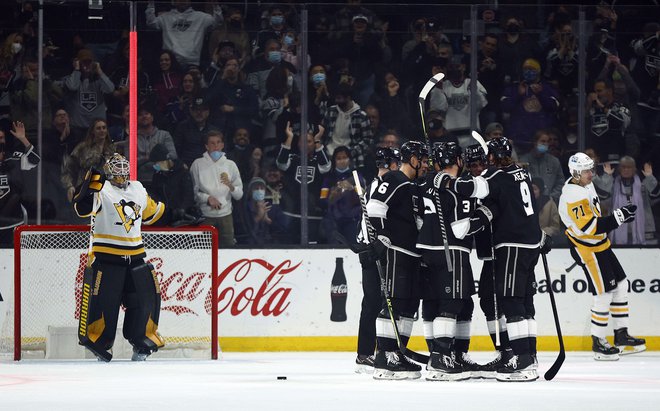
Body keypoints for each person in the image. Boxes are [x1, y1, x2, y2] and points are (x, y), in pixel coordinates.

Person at [448, 136, 548, 382]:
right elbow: (501, 207)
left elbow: (469, 189)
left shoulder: (496, 177)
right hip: (529, 243)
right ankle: (527, 356)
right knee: (521, 301)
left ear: (490, 157)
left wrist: (447, 179)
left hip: (512, 245)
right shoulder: (522, 173)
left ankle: (522, 360)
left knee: (512, 301)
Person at [71, 153, 166, 361]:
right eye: (117, 168)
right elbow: (82, 209)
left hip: (136, 256)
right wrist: (86, 188)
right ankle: (101, 346)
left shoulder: (138, 188)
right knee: (105, 304)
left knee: (144, 302)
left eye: (124, 168)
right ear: (108, 170)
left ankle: (142, 346)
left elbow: (153, 213)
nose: (121, 173)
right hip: (107, 257)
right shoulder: (102, 189)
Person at [558, 152, 646, 360]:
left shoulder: (584, 184)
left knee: (621, 284)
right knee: (603, 293)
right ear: (576, 173)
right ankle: (598, 342)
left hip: (600, 243)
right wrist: (619, 216)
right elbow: (588, 227)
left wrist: (617, 216)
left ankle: (621, 335)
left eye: (591, 169)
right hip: (586, 248)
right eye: (587, 170)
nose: (591, 173)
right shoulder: (572, 195)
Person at [417, 142, 492, 381]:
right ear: (458, 160)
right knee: (451, 304)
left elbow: (418, 217)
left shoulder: (426, 184)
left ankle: (448, 355)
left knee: (438, 302)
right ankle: (441, 357)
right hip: (451, 251)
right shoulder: (459, 189)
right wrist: (483, 216)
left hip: (425, 251)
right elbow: (461, 229)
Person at [365, 140, 428, 380]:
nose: (424, 164)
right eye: (421, 159)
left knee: (409, 306)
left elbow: (418, 223)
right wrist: (382, 237)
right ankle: (384, 356)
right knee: (393, 303)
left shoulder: (413, 187)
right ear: (411, 158)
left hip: (413, 255)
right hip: (397, 252)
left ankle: (398, 353)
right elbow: (374, 207)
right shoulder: (393, 179)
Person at [353, 146, 400, 373]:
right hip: (371, 251)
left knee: (384, 302)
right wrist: (369, 245)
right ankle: (365, 354)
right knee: (372, 302)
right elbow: (367, 222)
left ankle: (384, 350)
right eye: (390, 164)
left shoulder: (386, 186)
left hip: (384, 249)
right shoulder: (375, 188)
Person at [276, 121, 330, 244]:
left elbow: (326, 167)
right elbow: (281, 164)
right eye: (302, 141)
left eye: (309, 141)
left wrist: (317, 140)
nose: (305, 144)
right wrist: (289, 138)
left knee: (312, 246)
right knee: (291, 245)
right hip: (292, 212)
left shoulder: (318, 160)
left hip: (313, 214)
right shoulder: (293, 158)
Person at [190, 130, 243, 247]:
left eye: (218, 142)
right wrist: (207, 198)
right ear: (206, 146)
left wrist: (230, 186)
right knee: (203, 249)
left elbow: (239, 195)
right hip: (205, 216)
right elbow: (193, 192)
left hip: (226, 215)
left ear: (222, 145)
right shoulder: (197, 164)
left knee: (228, 249)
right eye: (212, 143)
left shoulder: (230, 165)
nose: (216, 146)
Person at [146, 0, 223, 68]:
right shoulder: (165, 17)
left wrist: (216, 6)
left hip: (192, 61)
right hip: (171, 61)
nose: (182, 1)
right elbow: (151, 23)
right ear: (174, 1)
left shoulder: (201, 17)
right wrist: (151, 4)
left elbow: (217, 22)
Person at [0, 121, 40, 246]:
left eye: (1, 138)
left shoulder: (15, 158)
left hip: (13, 222)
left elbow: (35, 160)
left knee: (13, 261)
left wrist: (23, 139)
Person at [61, 49, 115, 136]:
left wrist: (99, 71)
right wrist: (77, 69)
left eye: (89, 62)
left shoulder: (99, 80)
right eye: (84, 62)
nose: (87, 65)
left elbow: (110, 89)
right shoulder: (70, 78)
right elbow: (72, 87)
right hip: (77, 128)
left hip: (97, 128)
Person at [608, 156, 659, 245]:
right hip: (617, 233)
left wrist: (650, 178)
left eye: (629, 167)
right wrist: (607, 177)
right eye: (623, 167)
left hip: (643, 230)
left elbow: (656, 195)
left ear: (634, 169)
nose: (626, 170)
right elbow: (602, 197)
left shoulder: (643, 184)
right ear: (619, 169)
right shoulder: (612, 184)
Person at [519, 129, 566, 204]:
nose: (546, 144)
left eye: (548, 141)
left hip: (550, 202)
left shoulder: (554, 161)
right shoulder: (524, 161)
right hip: (530, 202)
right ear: (535, 143)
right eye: (543, 141)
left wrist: (551, 198)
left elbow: (560, 182)